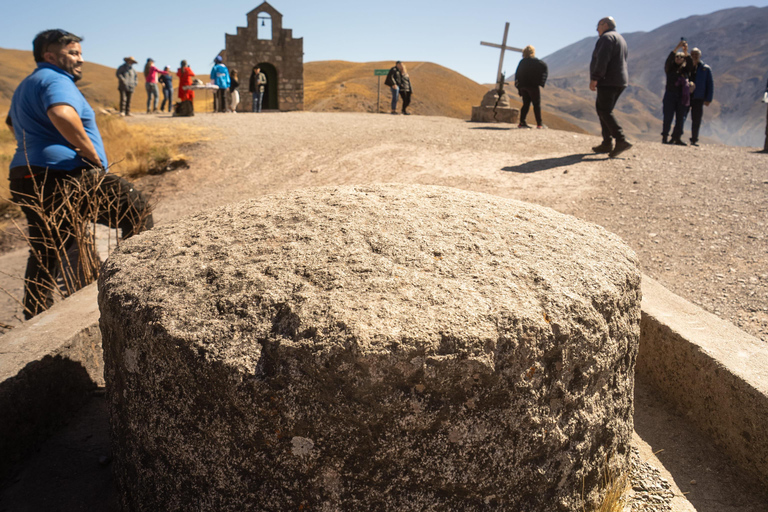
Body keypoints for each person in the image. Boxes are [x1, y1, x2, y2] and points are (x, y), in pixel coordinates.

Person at [5, 29, 153, 319]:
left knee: (46, 247)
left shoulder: (27, 84)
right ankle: (138, 295)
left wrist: (35, 145)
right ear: (50, 56)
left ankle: (34, 314)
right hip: (63, 174)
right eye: (73, 53)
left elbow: (12, 123)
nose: (80, 60)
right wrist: (92, 155)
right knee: (136, 209)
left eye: (80, 53)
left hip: (25, 175)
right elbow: (61, 114)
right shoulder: (55, 79)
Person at [589, 16, 632, 158]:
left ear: (605, 25)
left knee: (604, 110)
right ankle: (607, 143)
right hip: (619, 80)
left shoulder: (607, 38)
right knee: (603, 110)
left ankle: (621, 140)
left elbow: (602, 60)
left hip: (608, 80)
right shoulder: (620, 38)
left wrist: (595, 78)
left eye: (599, 25)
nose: (597, 29)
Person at [662, 40, 694, 145]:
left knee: (681, 118)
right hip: (670, 95)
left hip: (682, 97)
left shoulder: (686, 70)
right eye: (677, 57)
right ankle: (665, 137)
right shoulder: (670, 69)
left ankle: (677, 138)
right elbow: (668, 60)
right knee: (668, 117)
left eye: (681, 57)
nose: (679, 59)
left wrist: (686, 51)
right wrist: (676, 48)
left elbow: (690, 63)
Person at [514, 45, 548, 129]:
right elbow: (545, 68)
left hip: (523, 86)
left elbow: (517, 74)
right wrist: (541, 82)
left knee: (526, 104)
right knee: (536, 104)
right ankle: (539, 124)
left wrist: (518, 86)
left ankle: (522, 122)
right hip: (533, 86)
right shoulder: (537, 62)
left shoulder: (522, 62)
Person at [687, 48, 714, 146]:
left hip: (698, 97)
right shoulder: (686, 67)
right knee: (682, 117)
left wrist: (708, 99)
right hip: (686, 97)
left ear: (700, 56)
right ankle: (676, 137)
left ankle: (694, 139)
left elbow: (710, 85)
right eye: (693, 54)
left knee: (696, 119)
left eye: (696, 54)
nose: (694, 56)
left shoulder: (705, 69)